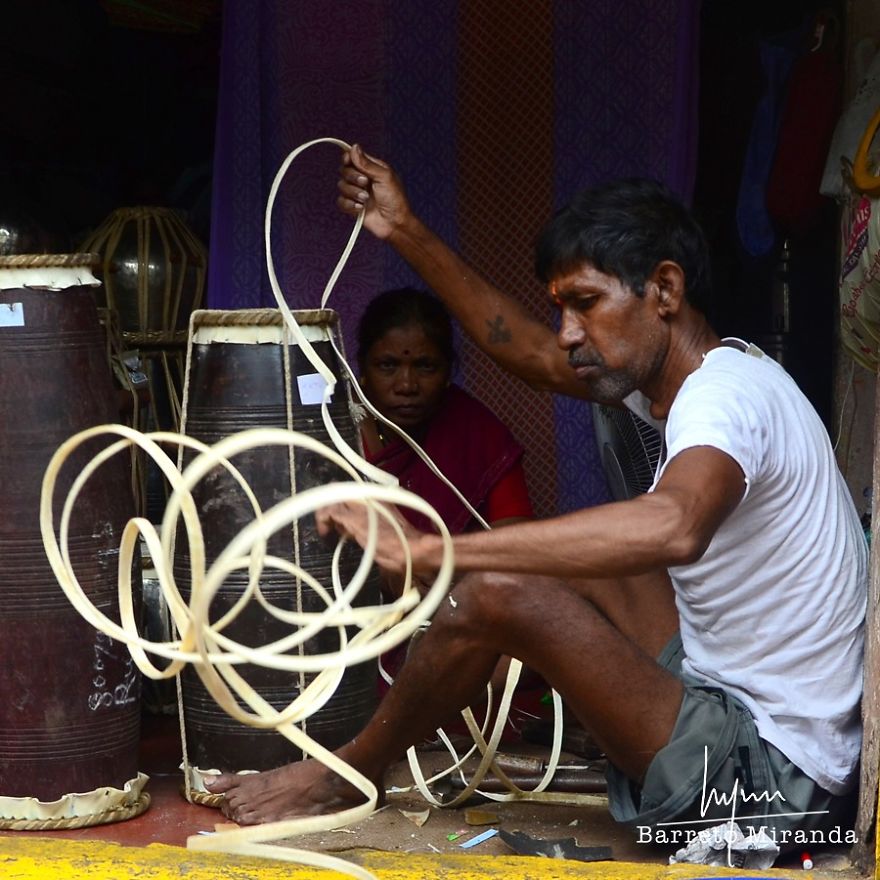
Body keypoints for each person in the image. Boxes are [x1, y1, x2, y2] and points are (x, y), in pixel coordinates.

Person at [206, 146, 866, 846]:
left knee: (498, 589)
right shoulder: (699, 373)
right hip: (753, 721)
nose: (568, 333)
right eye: (560, 308)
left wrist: (431, 549)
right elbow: (529, 353)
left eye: (584, 303)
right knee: (584, 558)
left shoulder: (722, 400)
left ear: (665, 290)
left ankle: (340, 775)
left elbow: (676, 524)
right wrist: (403, 229)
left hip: (769, 782)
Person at [356, 286, 533, 536]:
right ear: (362, 369)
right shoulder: (333, 428)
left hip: (457, 572)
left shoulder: (477, 430)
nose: (406, 385)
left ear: (448, 372)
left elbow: (518, 536)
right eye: (388, 366)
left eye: (425, 366)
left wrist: (439, 561)